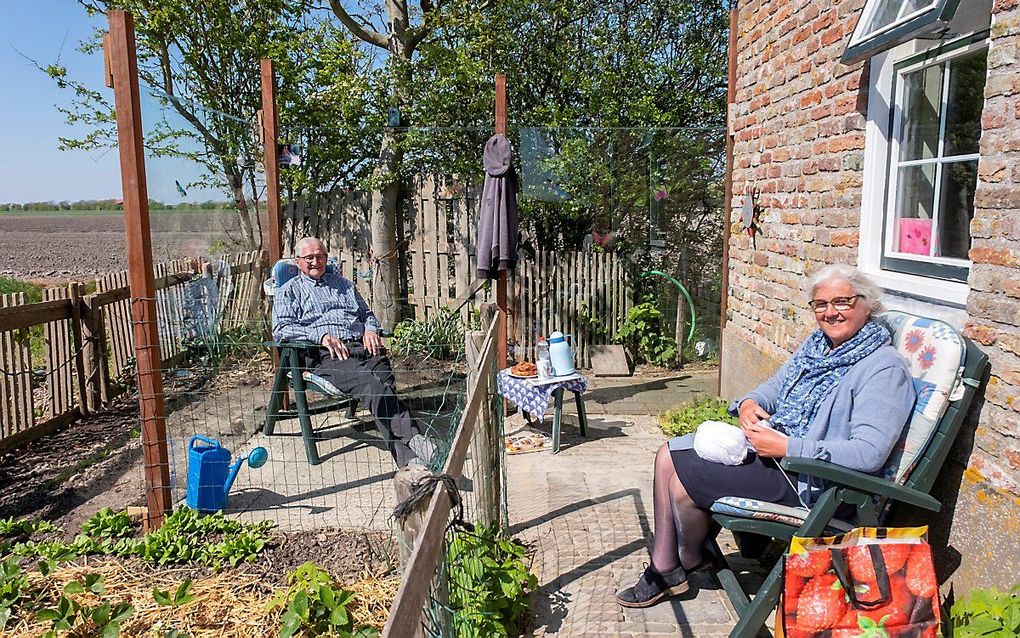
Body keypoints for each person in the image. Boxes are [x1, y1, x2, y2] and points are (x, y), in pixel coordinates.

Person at [616, 264, 916, 608]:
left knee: (681, 478)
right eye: (820, 304)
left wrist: (788, 446)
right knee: (668, 453)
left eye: (842, 302)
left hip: (815, 484)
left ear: (867, 304)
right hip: (777, 456)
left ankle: (678, 563)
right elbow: (775, 386)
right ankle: (675, 564)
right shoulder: (818, 347)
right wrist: (749, 402)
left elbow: (869, 453)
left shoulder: (883, 368)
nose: (830, 313)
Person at [272, 237, 435, 468]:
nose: (315, 262)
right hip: (326, 354)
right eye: (309, 258)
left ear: (326, 258)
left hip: (362, 346)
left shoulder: (344, 285)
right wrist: (320, 337)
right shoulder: (289, 291)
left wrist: (370, 330)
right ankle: (416, 441)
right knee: (373, 385)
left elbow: (367, 314)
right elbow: (281, 329)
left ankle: (410, 462)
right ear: (298, 262)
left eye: (320, 256)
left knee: (384, 386)